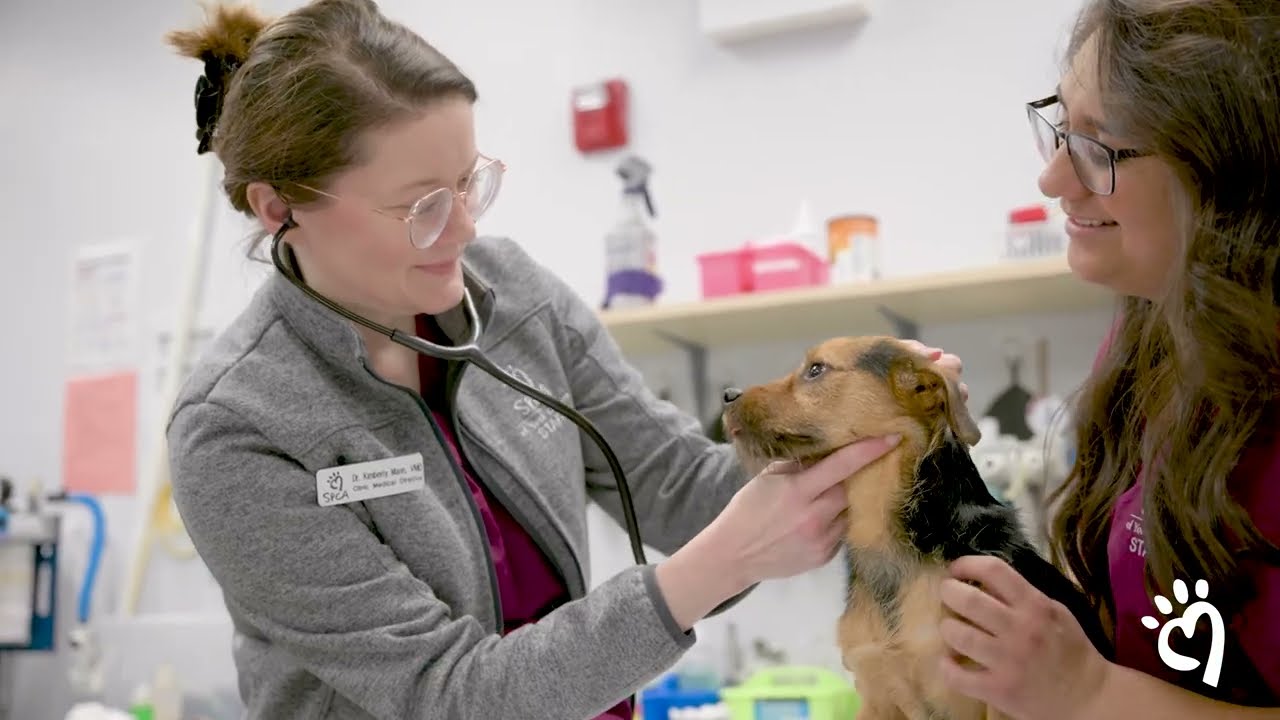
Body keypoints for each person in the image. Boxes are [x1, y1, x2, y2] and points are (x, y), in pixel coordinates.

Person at [162, 2, 966, 718]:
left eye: (469, 184)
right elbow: (449, 695)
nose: (466, 232)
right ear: (279, 207)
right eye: (422, 208)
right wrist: (710, 569)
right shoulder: (237, 430)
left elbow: (682, 487)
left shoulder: (510, 294)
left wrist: (850, 425)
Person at [934, 1, 1280, 718]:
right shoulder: (1151, 340)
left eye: (1100, 146)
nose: (1054, 180)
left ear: (1226, 172)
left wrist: (1086, 693)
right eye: (1061, 126)